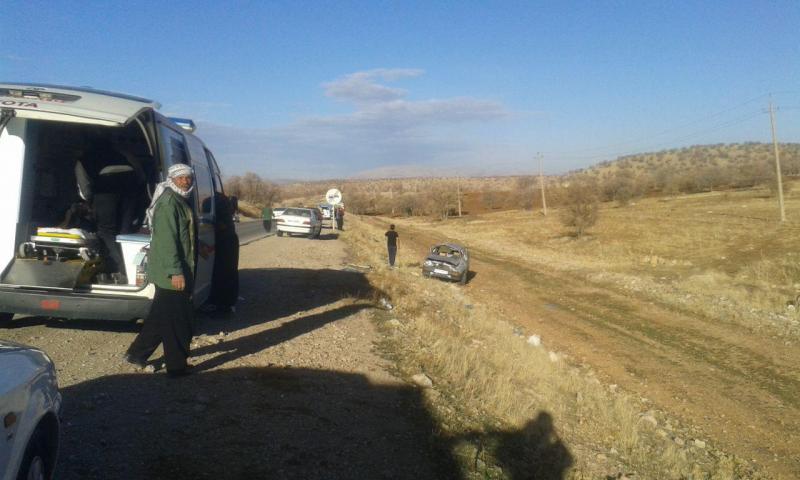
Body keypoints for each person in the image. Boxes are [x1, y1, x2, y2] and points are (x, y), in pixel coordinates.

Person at [125, 163, 197, 377]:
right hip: (170, 273)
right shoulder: (169, 203)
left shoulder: (178, 200)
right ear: (171, 179)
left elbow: (184, 236)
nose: (186, 181)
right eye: (181, 178)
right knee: (178, 321)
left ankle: (136, 354)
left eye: (188, 177)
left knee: (160, 315)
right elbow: (167, 241)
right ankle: (176, 367)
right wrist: (175, 271)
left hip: (171, 270)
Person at [208, 193, 239, 313]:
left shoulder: (223, 221)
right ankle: (225, 304)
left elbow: (221, 227)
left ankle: (223, 305)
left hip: (226, 246)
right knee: (228, 275)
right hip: (229, 244)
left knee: (224, 275)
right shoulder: (226, 215)